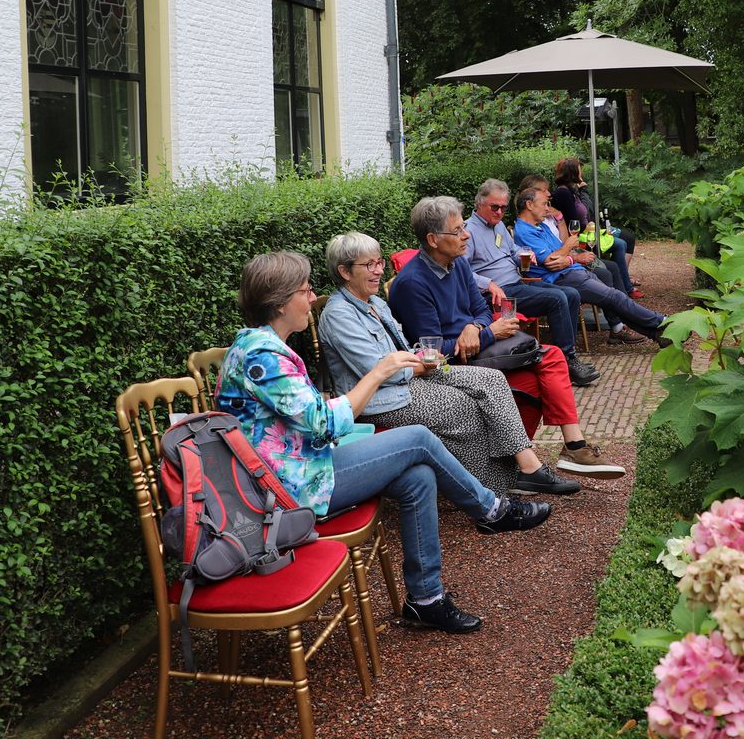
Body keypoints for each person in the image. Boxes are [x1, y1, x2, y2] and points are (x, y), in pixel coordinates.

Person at [215, 251, 551, 634]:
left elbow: (302, 421)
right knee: (418, 438)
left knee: (418, 476)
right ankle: (492, 511)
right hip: (287, 490)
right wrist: (379, 372)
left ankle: (426, 599)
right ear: (279, 302)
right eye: (305, 291)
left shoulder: (260, 346)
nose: (311, 298)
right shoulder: (264, 357)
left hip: (302, 468)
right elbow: (325, 425)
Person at [318, 231, 581, 496]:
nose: (378, 271)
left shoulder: (375, 302)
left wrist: (426, 356)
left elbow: (403, 349)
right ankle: (493, 494)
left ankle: (526, 468)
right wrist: (423, 364)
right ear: (345, 271)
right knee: (463, 405)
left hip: (410, 376)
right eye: (369, 265)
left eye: (379, 262)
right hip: (380, 398)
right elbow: (381, 373)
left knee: (492, 379)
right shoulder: (339, 314)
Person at [388, 196, 626, 478]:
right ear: (433, 239)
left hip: (477, 351)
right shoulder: (413, 284)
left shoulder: (458, 263)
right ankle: (555, 454)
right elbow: (432, 353)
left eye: (464, 227)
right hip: (449, 367)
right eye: (457, 231)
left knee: (549, 360)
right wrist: (488, 333)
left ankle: (552, 453)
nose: (466, 235)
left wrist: (475, 326)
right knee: (543, 366)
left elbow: (481, 309)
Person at [464, 179, 599, 388]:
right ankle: (567, 363)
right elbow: (461, 272)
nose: (500, 212)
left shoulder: (499, 225)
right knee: (557, 298)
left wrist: (524, 255)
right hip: (498, 295)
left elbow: (513, 251)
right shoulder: (468, 231)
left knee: (571, 294)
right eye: (495, 207)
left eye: (503, 208)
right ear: (480, 203)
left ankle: (568, 357)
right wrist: (488, 283)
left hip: (517, 283)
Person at [513, 186, 669, 344]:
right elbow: (552, 261)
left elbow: (560, 254)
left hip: (573, 272)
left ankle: (657, 333)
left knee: (613, 300)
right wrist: (569, 250)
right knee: (614, 297)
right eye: (544, 204)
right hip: (561, 278)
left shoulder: (540, 226)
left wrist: (568, 257)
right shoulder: (525, 231)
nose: (548, 208)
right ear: (529, 205)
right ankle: (663, 322)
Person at [551, 156, 640, 297]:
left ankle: (623, 286)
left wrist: (581, 192)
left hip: (587, 231)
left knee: (625, 240)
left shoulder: (571, 191)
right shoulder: (564, 193)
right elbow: (575, 222)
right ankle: (624, 288)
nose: (581, 173)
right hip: (579, 238)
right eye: (579, 170)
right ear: (573, 172)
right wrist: (583, 191)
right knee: (619, 244)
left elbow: (587, 212)